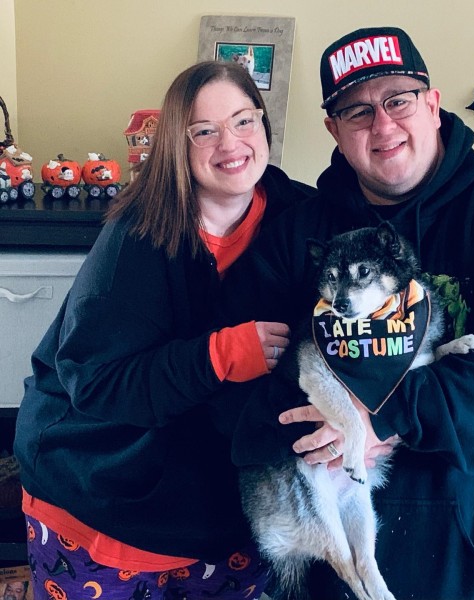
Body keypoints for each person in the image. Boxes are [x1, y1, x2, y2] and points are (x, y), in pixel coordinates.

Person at [218, 27, 474, 599]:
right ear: (334, 130)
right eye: (358, 111)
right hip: (341, 566)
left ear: (433, 105)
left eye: (399, 100)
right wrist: (318, 420)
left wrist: (383, 416)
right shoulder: (298, 237)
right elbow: (243, 379)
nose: (383, 125)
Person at [13, 60, 313, 599]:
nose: (231, 143)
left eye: (244, 120)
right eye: (205, 131)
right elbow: (98, 382)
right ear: (178, 144)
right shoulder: (136, 237)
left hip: (220, 504)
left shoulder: (299, 214)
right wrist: (219, 356)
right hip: (102, 491)